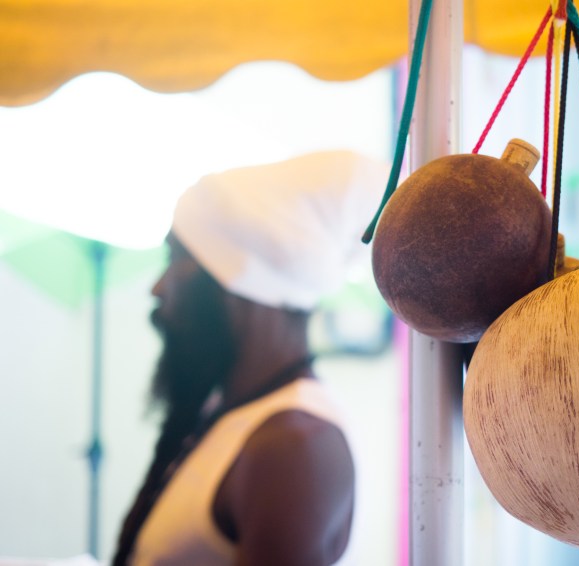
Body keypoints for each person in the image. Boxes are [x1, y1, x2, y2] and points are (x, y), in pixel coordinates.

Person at [112, 150, 390, 566]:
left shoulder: (291, 445)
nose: (158, 288)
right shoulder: (234, 416)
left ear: (239, 285)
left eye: (175, 261)